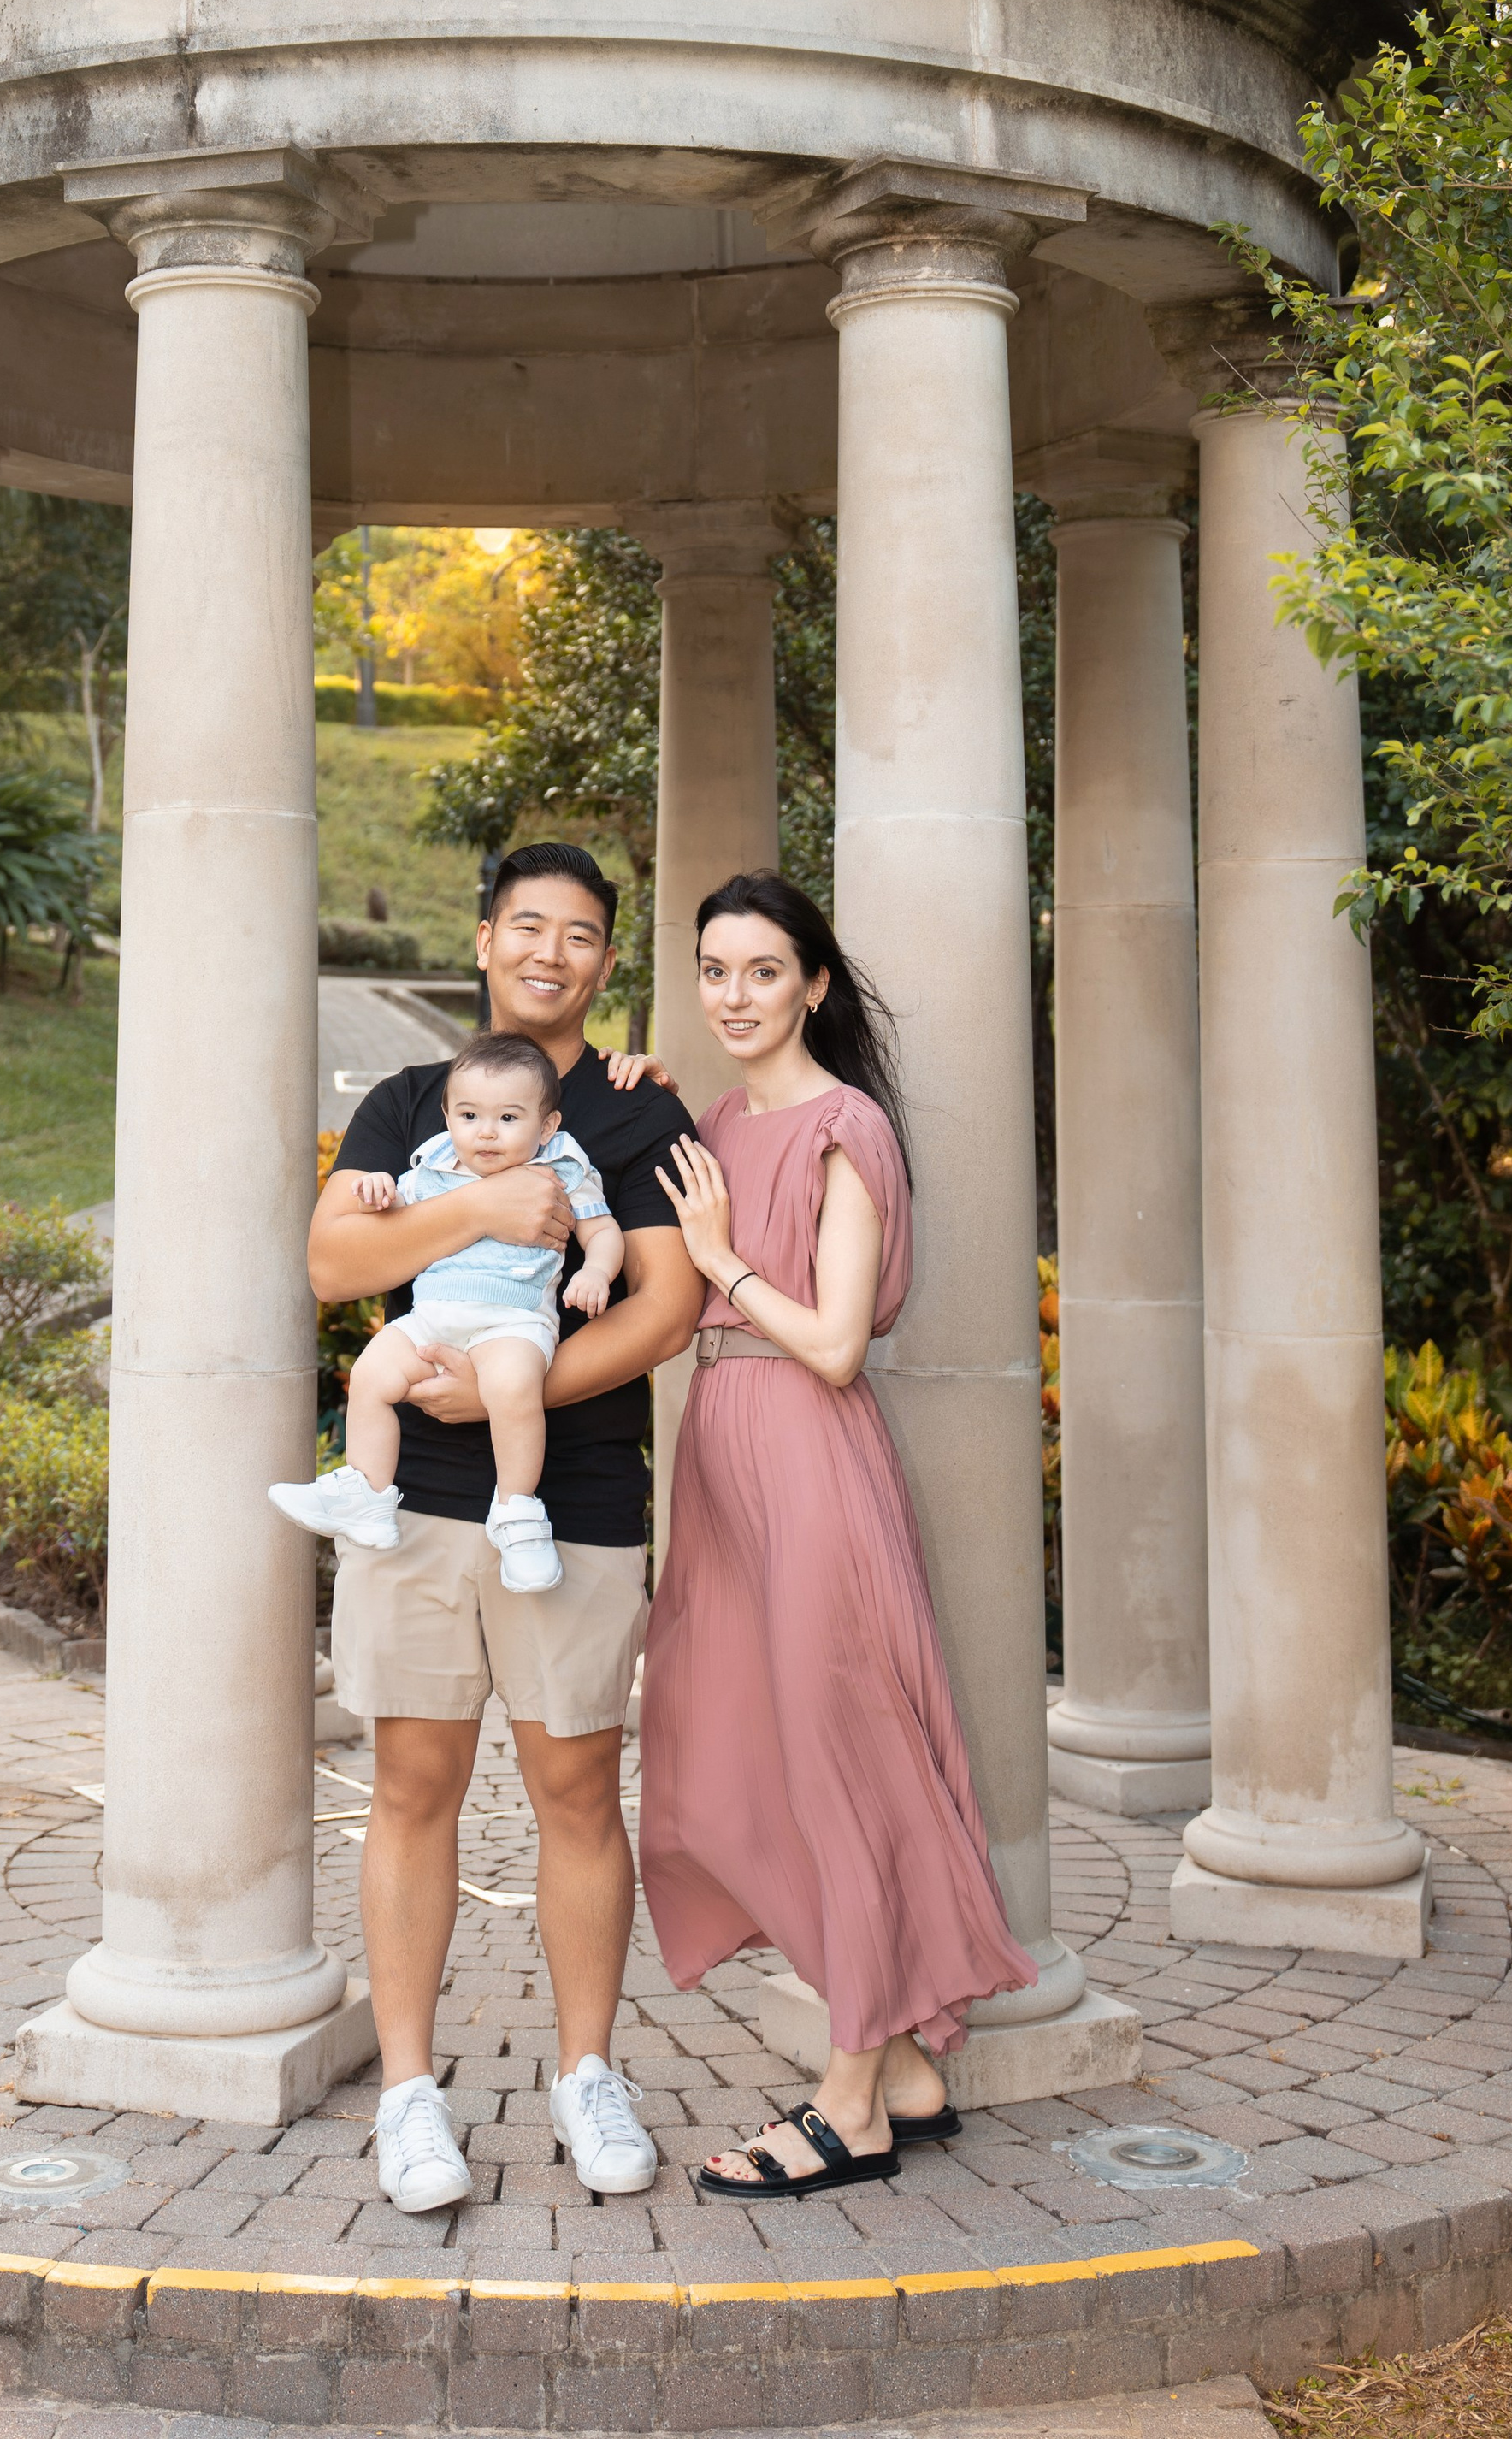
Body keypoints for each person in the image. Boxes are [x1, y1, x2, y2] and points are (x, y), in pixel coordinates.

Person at [308, 841, 701, 2216]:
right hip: (412, 1502)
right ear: (483, 942)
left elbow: (665, 1306)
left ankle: (589, 2072)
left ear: (606, 961)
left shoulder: (641, 1116)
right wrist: (476, 1205)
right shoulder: (414, 1100)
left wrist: (501, 1390)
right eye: (526, 927)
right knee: (411, 1786)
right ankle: (410, 2095)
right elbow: (332, 1263)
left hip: (578, 1499)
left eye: (580, 934)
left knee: (580, 1792)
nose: (550, 952)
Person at [639, 869, 1036, 2200]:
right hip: (723, 1468)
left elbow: (835, 1344)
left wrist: (723, 1257)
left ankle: (853, 2100)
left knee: (841, 1759)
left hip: (809, 1458)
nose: (735, 995)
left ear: (813, 983)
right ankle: (911, 2072)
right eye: (714, 971)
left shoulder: (841, 1128)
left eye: (764, 971)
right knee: (735, 1751)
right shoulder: (708, 1125)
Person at [271, 1029, 623, 1592]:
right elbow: (393, 1211)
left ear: (546, 1125)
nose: (485, 1132)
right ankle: (368, 1493)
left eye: (509, 1118)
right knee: (370, 1376)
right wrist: (381, 1188)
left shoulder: (562, 1165)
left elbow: (601, 1228)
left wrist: (595, 1271)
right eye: (468, 1116)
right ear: (447, 1117)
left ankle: (517, 1511)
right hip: (432, 1317)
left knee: (512, 1388)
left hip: (512, 1320)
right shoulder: (433, 1162)